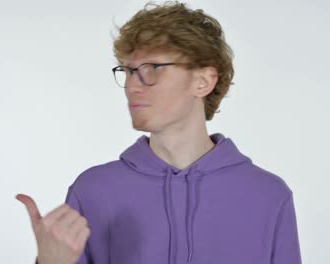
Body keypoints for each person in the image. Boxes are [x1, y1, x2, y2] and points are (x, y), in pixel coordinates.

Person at [16, 1, 302, 264]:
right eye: (128, 70)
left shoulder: (267, 195)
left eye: (153, 67)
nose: (132, 85)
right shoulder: (93, 190)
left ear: (203, 81)